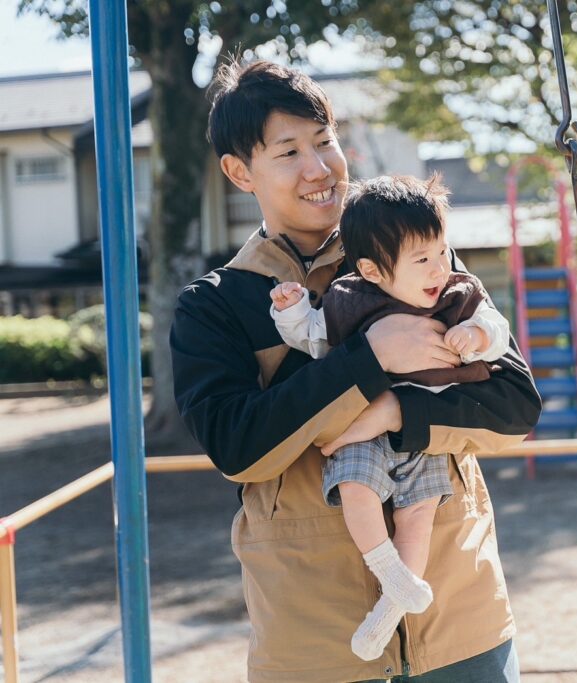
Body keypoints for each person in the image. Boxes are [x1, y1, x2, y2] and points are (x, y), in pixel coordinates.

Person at [170, 60, 540, 682]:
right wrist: (370, 359)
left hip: (462, 620)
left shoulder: (421, 259)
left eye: (325, 142)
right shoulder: (214, 305)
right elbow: (240, 449)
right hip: (316, 643)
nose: (319, 169)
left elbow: (514, 409)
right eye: (288, 151)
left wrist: (398, 410)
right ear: (239, 172)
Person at [268, 173, 511, 661]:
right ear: (373, 271)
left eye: (442, 250)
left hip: (424, 430)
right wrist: (291, 312)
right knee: (356, 491)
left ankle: (393, 605)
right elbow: (314, 338)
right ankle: (392, 575)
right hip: (358, 424)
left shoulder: (458, 293)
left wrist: (480, 336)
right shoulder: (346, 299)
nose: (439, 268)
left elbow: (496, 326)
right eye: (421, 259)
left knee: (417, 515)